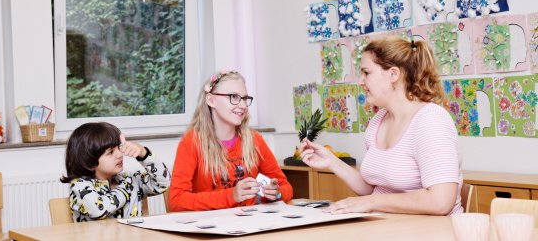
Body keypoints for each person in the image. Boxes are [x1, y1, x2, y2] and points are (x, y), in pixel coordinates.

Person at [299, 36, 463, 216]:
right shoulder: (378, 120)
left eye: (366, 73)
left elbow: (440, 202)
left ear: (393, 74)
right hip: (391, 228)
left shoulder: (430, 120)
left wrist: (370, 202)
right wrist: (332, 162)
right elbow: (372, 190)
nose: (361, 82)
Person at [169, 70, 293, 211]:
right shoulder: (191, 143)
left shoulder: (254, 140)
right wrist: (231, 196)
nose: (243, 105)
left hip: (250, 225)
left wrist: (275, 193)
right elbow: (176, 201)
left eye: (245, 98)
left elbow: (286, 187)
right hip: (211, 228)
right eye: (234, 97)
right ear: (211, 100)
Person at [60, 122, 170, 222]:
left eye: (119, 147)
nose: (119, 154)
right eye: (110, 152)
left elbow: (163, 183)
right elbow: (99, 210)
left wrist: (144, 153)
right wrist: (126, 188)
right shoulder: (80, 186)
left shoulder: (130, 179)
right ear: (90, 163)